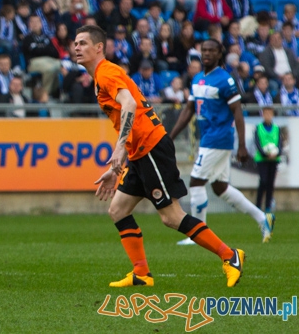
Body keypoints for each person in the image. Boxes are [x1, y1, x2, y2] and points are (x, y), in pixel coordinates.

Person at [74, 25, 244, 288]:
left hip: (151, 146)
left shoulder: (106, 72)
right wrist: (119, 163)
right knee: (117, 210)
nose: (76, 47)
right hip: (139, 151)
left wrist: (119, 148)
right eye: (75, 43)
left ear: (99, 48)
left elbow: (129, 104)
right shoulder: (100, 76)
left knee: (171, 217)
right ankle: (141, 273)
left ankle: (230, 256)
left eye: (83, 43)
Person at [170, 39, 274, 245]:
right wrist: (170, 137)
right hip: (209, 137)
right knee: (220, 187)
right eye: (204, 50)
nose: (207, 54)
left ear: (219, 54)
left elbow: (237, 111)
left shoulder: (225, 80)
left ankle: (197, 234)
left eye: (211, 51)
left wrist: (242, 145)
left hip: (218, 138)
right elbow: (189, 110)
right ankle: (263, 218)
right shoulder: (198, 78)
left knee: (196, 181)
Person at [253, 106, 285, 213]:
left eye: (269, 114)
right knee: (263, 181)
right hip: (262, 159)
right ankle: (258, 205)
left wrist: (277, 153)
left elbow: (280, 143)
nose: (267, 116)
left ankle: (268, 206)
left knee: (270, 183)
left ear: (272, 115)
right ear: (262, 115)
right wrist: (265, 154)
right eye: (265, 114)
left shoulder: (277, 128)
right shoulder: (258, 128)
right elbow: (257, 143)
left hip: (274, 159)